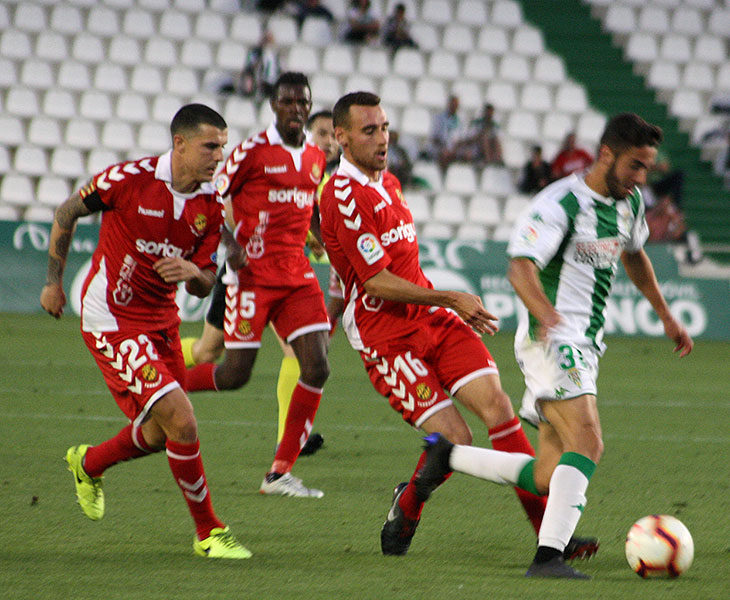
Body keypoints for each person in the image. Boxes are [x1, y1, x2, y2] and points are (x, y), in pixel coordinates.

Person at [319, 91, 598, 560]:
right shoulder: (343, 195)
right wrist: (450, 296)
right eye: (369, 131)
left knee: (499, 408)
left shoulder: (388, 182)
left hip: (432, 319)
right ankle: (407, 504)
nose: (382, 138)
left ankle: (552, 536)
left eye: (385, 128)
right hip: (385, 337)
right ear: (342, 137)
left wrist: (442, 305)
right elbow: (377, 281)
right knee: (455, 439)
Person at [415, 112, 694, 579]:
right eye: (634, 166)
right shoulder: (559, 203)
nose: (641, 178)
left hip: (587, 343)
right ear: (606, 154)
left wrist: (665, 315)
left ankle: (446, 455)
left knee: (548, 472)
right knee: (589, 441)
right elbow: (520, 268)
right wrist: (547, 316)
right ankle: (548, 557)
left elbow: (634, 255)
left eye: (647, 168)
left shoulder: (630, 204)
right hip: (555, 341)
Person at [39, 104, 251, 559]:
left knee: (160, 434)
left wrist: (192, 270)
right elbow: (66, 210)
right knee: (183, 419)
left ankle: (88, 462)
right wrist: (54, 282)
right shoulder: (128, 180)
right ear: (180, 143)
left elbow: (208, 279)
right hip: (112, 319)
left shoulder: (212, 207)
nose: (219, 156)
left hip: (162, 321)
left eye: (223, 147)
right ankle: (209, 533)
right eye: (210, 146)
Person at [186, 73, 331, 498]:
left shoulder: (315, 157)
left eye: (302, 102)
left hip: (297, 275)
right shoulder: (251, 152)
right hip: (252, 277)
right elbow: (211, 197)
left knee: (318, 365)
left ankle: (279, 472)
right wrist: (228, 244)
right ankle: (165, 386)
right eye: (288, 102)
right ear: (274, 105)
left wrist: (319, 236)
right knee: (234, 375)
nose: (296, 109)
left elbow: (310, 204)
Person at [236, 30, 281, 103]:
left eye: (270, 40)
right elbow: (250, 67)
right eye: (266, 40)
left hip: (271, 84)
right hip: (259, 82)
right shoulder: (256, 53)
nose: (268, 42)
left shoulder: (276, 55)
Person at [427, 95, 462, 170]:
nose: (454, 107)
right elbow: (434, 138)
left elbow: (462, 138)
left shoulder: (460, 120)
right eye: (453, 104)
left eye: (456, 105)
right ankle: (443, 176)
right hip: (440, 147)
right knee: (445, 154)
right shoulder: (439, 118)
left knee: (467, 154)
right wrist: (444, 147)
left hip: (454, 148)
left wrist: (454, 148)